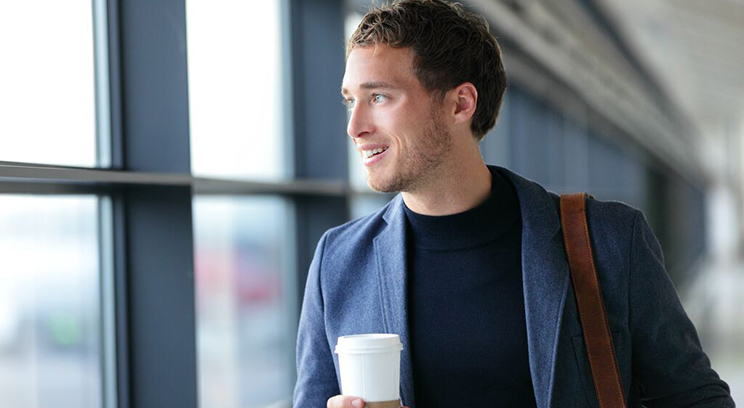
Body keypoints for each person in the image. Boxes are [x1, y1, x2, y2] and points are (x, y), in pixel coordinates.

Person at [293, 1, 735, 407]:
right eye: (351, 100)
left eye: (379, 97)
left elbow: (696, 399)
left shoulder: (608, 241)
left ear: (461, 103)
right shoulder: (339, 262)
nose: (354, 127)